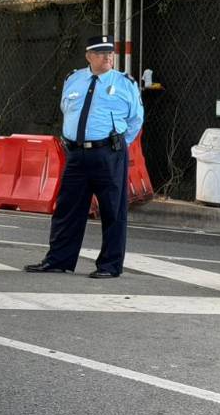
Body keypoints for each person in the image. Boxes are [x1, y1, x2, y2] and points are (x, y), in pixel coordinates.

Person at [24, 35, 143, 279]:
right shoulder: (73, 79)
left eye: (109, 53)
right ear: (89, 56)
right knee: (68, 208)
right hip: (77, 154)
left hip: (108, 153)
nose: (107, 57)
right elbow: (67, 110)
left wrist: (117, 144)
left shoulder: (125, 83)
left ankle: (110, 265)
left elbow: (135, 120)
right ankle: (59, 260)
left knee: (113, 210)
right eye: (100, 53)